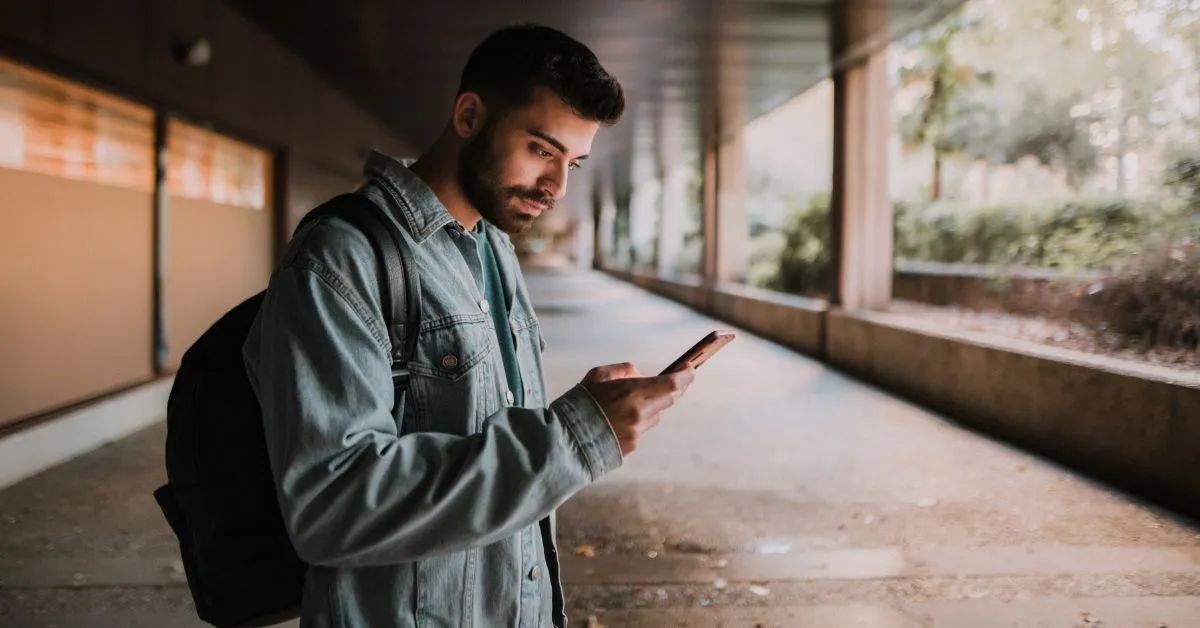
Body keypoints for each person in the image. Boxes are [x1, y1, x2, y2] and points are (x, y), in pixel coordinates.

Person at [242, 23, 695, 628]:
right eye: (541, 149)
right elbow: (332, 506)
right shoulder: (341, 258)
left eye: (573, 163)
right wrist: (575, 438)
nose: (556, 186)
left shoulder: (492, 245)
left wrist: (588, 413)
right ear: (469, 116)